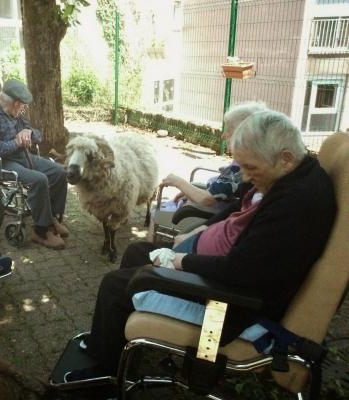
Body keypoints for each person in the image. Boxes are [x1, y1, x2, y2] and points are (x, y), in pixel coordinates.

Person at [65, 110, 336, 381]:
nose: (244, 178)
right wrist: (203, 229)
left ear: (286, 158)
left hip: (228, 306)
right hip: (223, 273)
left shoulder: (295, 205)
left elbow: (242, 271)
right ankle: (123, 344)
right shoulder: (294, 174)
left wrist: (180, 261)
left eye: (250, 168)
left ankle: (104, 374)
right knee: (137, 252)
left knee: (115, 285)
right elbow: (236, 210)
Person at [148, 101, 268, 241]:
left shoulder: (239, 168)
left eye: (228, 130)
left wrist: (177, 181)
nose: (223, 135)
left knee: (155, 213)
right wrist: (189, 189)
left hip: (207, 212)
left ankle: (152, 252)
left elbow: (207, 199)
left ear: (241, 134)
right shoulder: (243, 162)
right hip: (212, 209)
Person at [0, 79, 69, 250]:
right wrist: (15, 143)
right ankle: (40, 232)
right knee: (38, 180)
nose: (23, 108)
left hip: (21, 157)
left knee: (59, 172)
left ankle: (50, 218)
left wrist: (29, 132)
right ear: (16, 103)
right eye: (22, 105)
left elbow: (38, 135)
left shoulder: (15, 114)